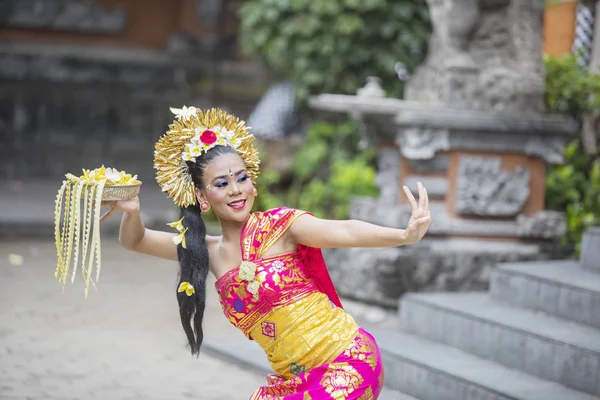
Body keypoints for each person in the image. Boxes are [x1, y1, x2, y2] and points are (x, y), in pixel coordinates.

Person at [101, 107, 431, 399]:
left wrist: (403, 235)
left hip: (347, 361)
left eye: (241, 178)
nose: (235, 190)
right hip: (295, 382)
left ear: (253, 184)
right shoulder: (208, 253)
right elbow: (137, 241)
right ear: (203, 197)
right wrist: (131, 212)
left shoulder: (282, 226)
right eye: (221, 184)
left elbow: (345, 230)